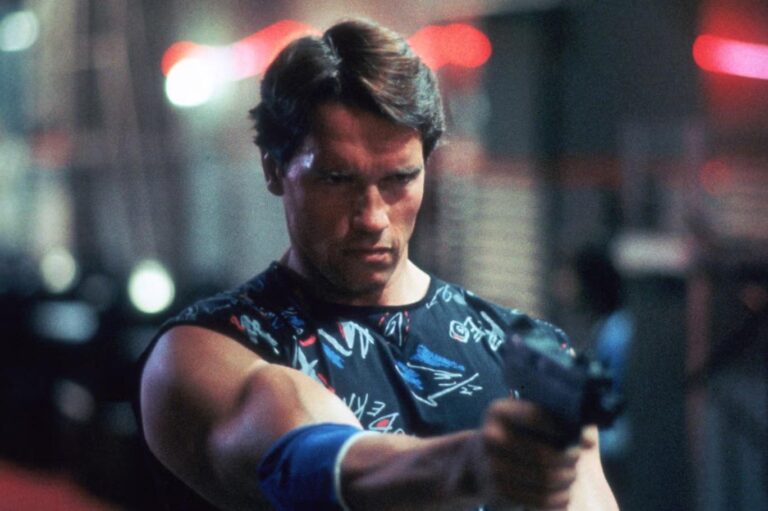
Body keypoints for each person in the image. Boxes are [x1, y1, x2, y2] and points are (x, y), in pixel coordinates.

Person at [135, 18, 619, 511]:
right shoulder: (205, 352)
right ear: (274, 169)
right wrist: (468, 465)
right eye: (337, 179)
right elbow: (305, 457)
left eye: (398, 179)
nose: (372, 217)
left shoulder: (516, 347)